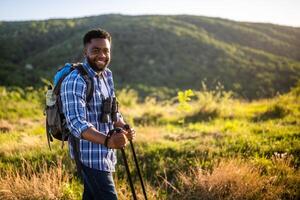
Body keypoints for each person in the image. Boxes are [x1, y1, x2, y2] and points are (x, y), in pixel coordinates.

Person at [60, 28, 135, 200]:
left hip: (106, 155)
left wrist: (123, 126)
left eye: (106, 50)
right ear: (85, 51)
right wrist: (108, 140)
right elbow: (76, 123)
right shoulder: (75, 80)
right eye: (95, 50)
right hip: (89, 157)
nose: (102, 55)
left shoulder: (106, 75)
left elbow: (113, 111)